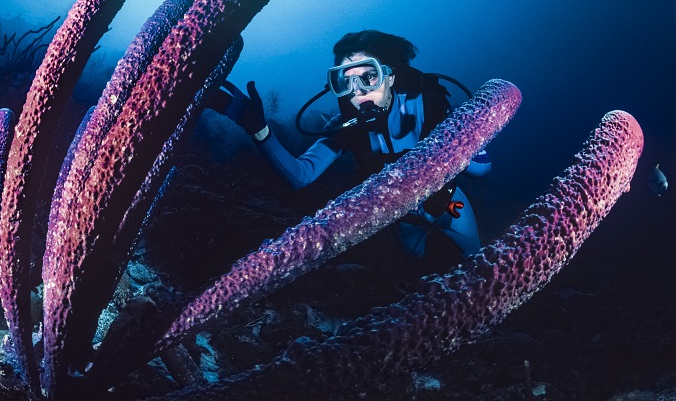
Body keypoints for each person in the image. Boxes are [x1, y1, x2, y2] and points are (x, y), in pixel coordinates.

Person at [209, 30, 491, 271]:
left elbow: (481, 169)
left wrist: (460, 144)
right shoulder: (346, 126)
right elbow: (301, 175)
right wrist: (259, 129)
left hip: (450, 204)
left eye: (369, 76)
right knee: (414, 268)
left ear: (390, 76)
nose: (358, 91)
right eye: (347, 82)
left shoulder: (427, 105)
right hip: (402, 219)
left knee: (478, 264)